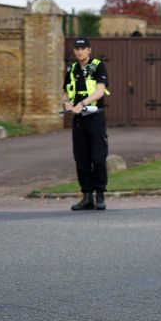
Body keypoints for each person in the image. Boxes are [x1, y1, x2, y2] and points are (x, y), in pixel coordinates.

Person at [62, 38, 110, 211]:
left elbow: (99, 91)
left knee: (98, 157)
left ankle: (100, 195)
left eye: (83, 48)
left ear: (89, 50)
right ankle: (87, 196)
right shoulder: (72, 68)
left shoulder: (97, 66)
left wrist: (81, 104)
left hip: (95, 117)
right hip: (79, 119)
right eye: (77, 48)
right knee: (81, 158)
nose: (79, 51)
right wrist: (67, 104)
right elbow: (66, 91)